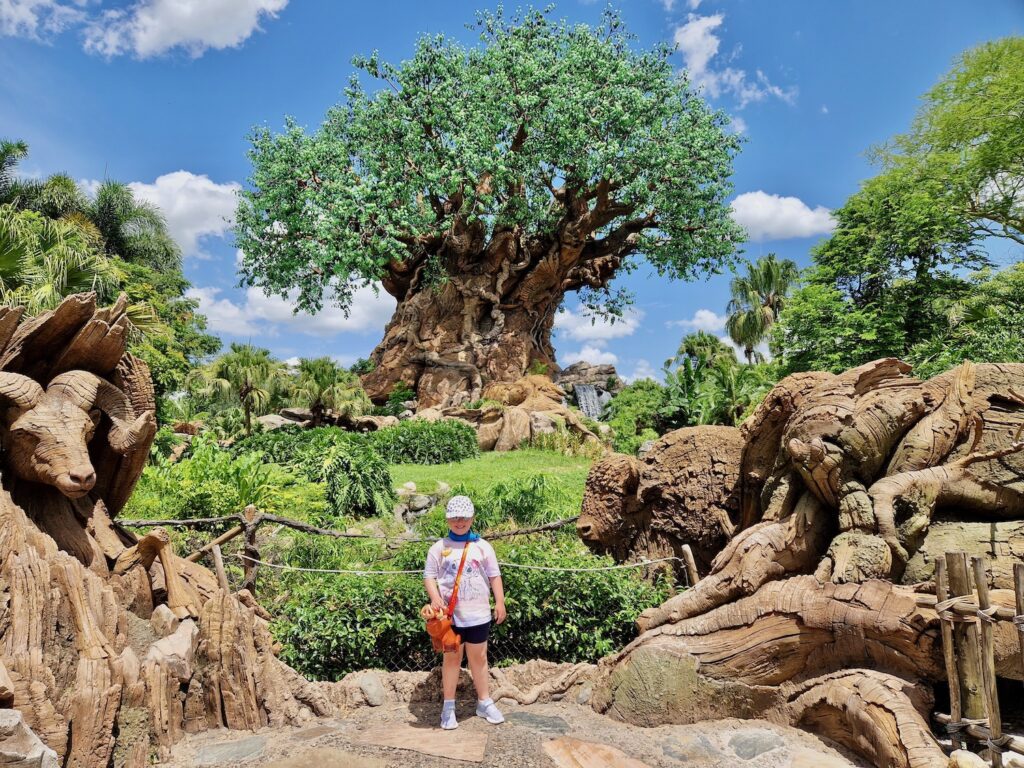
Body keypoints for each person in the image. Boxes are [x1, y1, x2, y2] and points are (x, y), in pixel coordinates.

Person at [423, 495, 507, 730]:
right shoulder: (439, 548)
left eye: (464, 517)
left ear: (472, 518)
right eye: (454, 518)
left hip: (479, 614)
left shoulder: (482, 546)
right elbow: (429, 575)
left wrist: (499, 601)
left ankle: (484, 701)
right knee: (451, 659)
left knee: (479, 658)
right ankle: (448, 707)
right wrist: (435, 596)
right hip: (451, 617)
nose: (459, 522)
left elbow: (494, 575)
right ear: (448, 519)